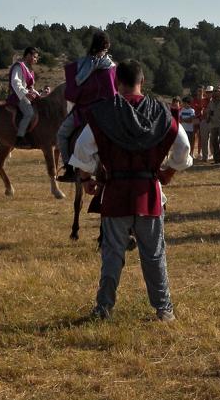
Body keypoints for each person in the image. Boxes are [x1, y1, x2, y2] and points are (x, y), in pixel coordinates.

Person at [71, 59, 193, 322]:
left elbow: (82, 148)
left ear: (117, 82)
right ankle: (164, 310)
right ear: (142, 81)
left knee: (112, 254)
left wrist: (86, 177)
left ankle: (103, 309)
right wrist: (169, 172)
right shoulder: (160, 112)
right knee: (154, 254)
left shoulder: (104, 113)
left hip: (116, 193)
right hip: (148, 192)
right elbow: (183, 146)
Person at [55, 31, 116, 182]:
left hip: (84, 112)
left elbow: (73, 90)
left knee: (62, 134)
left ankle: (69, 169)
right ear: (107, 45)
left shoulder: (82, 65)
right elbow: (114, 93)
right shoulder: (111, 68)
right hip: (106, 113)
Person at [7, 47, 41, 147]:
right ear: (28, 55)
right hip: (17, 96)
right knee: (29, 113)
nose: (36, 60)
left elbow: (30, 87)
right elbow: (15, 83)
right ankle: (20, 137)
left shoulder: (30, 70)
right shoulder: (19, 66)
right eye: (34, 57)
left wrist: (38, 95)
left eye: (36, 58)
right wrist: (26, 93)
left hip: (26, 95)